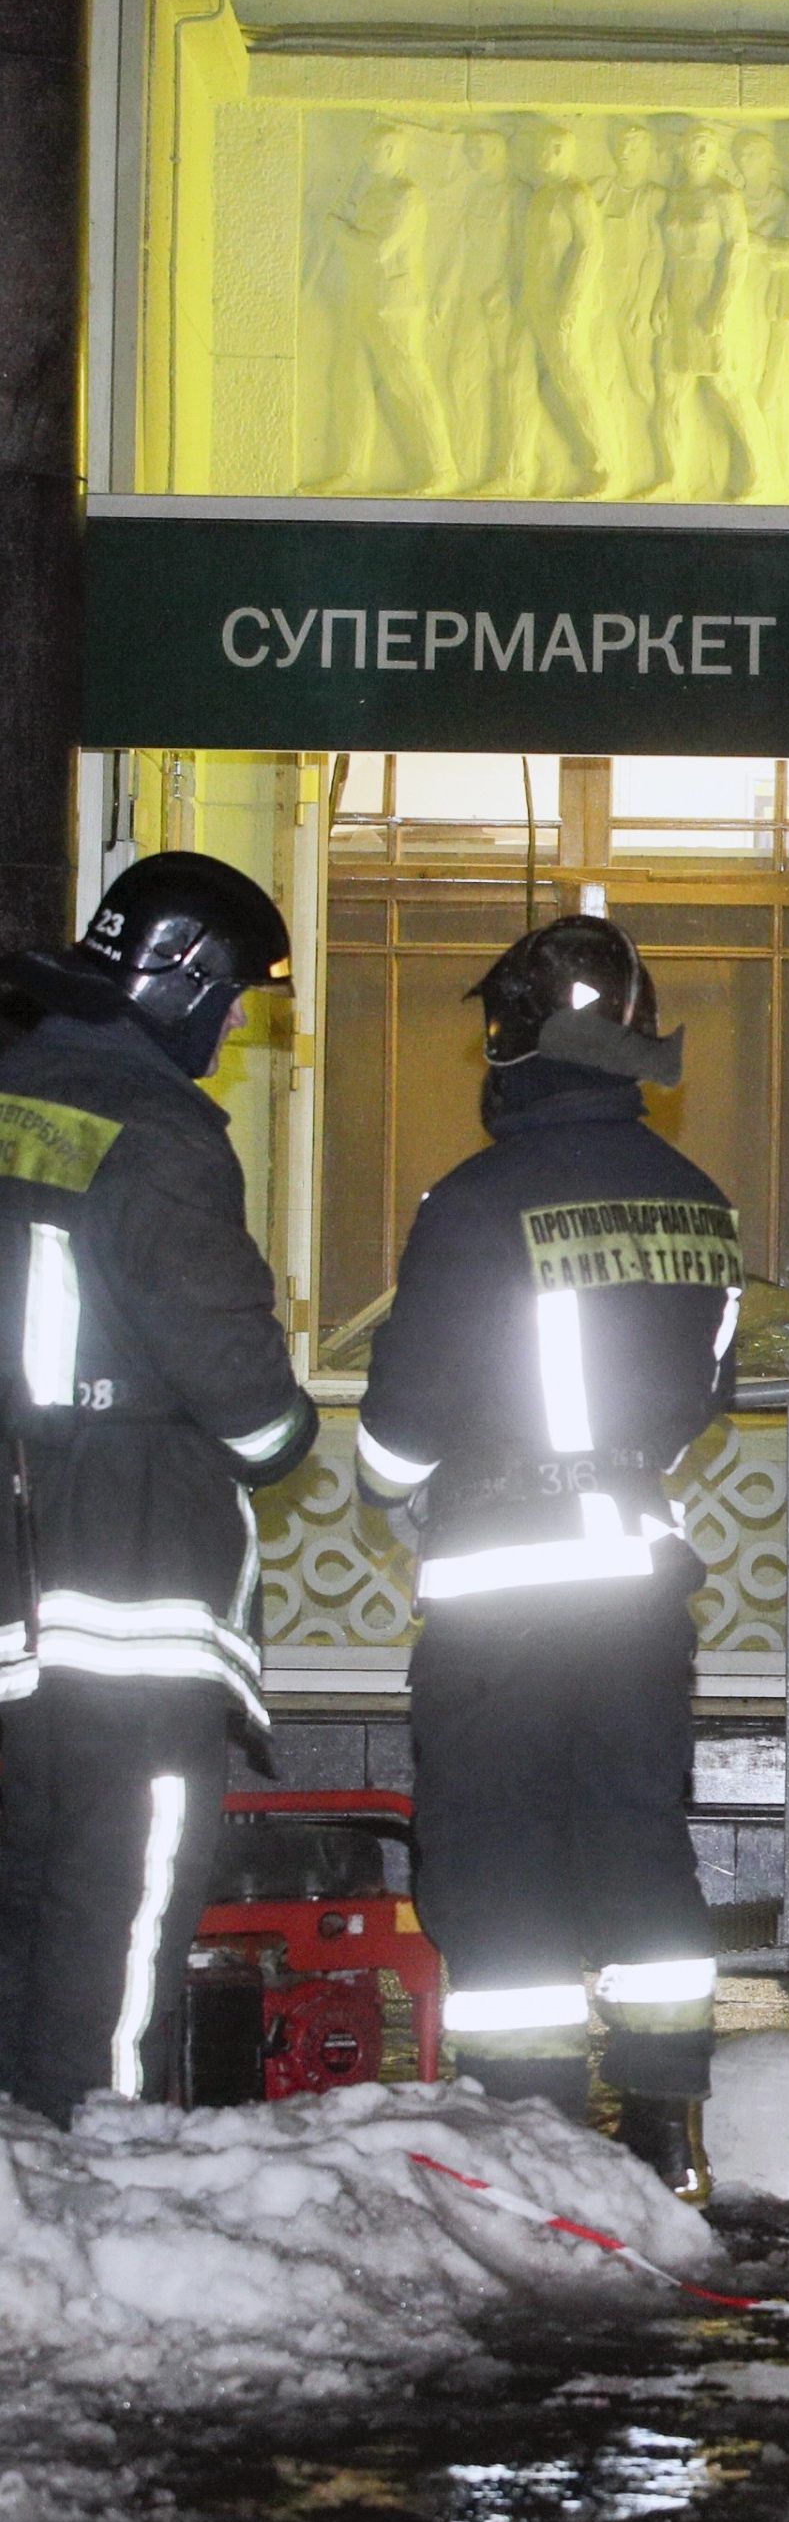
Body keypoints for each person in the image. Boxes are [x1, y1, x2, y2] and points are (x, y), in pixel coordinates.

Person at [354, 917, 743, 2195]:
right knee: (637, 1834)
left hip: (503, 1581)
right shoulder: (697, 1200)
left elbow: (405, 1415)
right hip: (635, 1571)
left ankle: (525, 2129)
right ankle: (666, 2127)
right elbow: (702, 1399)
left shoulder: (473, 1201)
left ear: (512, 1038)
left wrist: (399, 1492)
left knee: (492, 1839)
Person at [0, 856, 320, 2119]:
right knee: (128, 1881)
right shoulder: (163, 1137)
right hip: (128, 1564)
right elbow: (252, 1410)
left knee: (25, 1871)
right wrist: (283, 1424)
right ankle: (104, 2145)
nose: (236, 1019)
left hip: (19, 1572)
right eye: (232, 991)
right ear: (179, 973)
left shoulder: (17, 1086)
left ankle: (21, 2170)